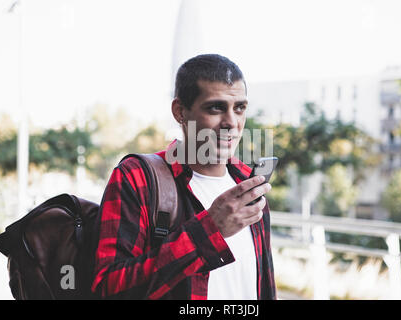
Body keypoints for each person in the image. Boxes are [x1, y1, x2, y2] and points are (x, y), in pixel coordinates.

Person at [91, 54, 276, 300]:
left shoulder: (248, 182)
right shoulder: (138, 178)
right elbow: (108, 289)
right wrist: (209, 230)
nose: (232, 122)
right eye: (215, 108)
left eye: (239, 108)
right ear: (180, 112)